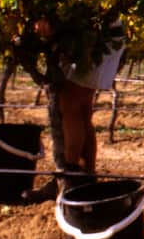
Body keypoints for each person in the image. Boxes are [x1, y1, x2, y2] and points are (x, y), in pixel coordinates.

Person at [24, 19, 124, 201]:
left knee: (70, 104)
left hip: (94, 38)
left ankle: (69, 178)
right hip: (102, 35)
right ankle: (86, 177)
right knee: (82, 110)